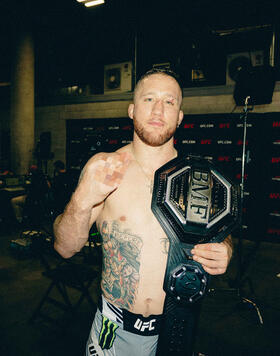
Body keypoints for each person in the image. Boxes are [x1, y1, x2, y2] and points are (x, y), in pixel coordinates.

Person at [53, 68, 233, 356]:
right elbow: (64, 248)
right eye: (149, 99)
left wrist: (225, 250)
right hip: (112, 328)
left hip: (176, 328)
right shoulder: (105, 167)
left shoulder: (199, 178)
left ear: (180, 116)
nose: (159, 109)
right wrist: (82, 200)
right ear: (132, 110)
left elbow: (221, 239)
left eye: (169, 102)